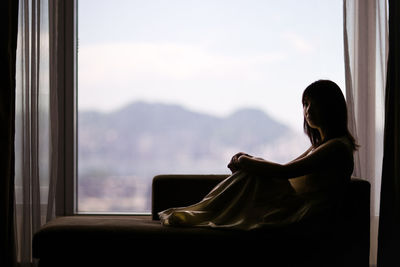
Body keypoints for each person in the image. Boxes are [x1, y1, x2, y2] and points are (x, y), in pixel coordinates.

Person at [158, 80, 358, 230]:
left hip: (304, 212)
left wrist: (246, 161)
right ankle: (201, 212)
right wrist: (251, 161)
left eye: (315, 104)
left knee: (251, 173)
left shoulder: (336, 147)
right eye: (305, 104)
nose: (308, 110)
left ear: (332, 107)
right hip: (293, 203)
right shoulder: (321, 145)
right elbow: (284, 168)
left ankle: (200, 212)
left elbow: (284, 172)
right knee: (253, 172)